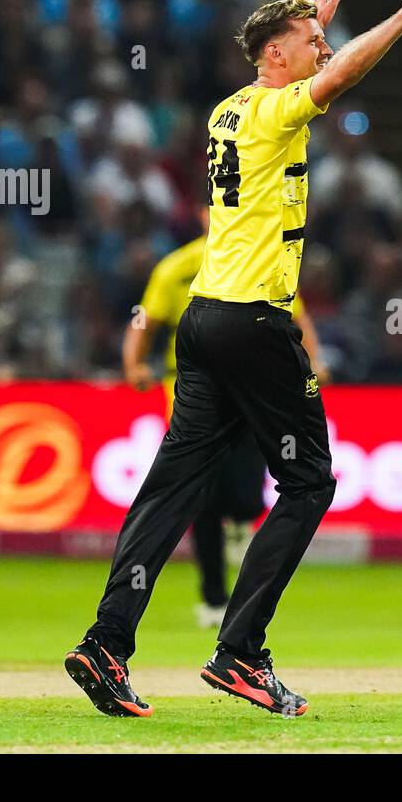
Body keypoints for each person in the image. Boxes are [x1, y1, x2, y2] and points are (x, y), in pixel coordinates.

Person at [66, 0, 402, 718]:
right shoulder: (276, 107)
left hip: (204, 322)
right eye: (309, 43)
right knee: (310, 482)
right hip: (253, 322)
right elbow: (337, 81)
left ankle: (106, 644)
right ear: (279, 56)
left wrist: (311, 29)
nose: (323, 52)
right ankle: (240, 653)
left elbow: (313, 71)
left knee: (172, 485)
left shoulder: (227, 110)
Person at [122, 205, 328, 630]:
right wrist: (133, 365)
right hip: (191, 394)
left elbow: (296, 315)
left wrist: (316, 359)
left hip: (253, 392)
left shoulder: (260, 259)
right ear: (203, 215)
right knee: (204, 501)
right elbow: (145, 318)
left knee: (246, 494)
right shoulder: (177, 267)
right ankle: (214, 598)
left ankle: (242, 520)